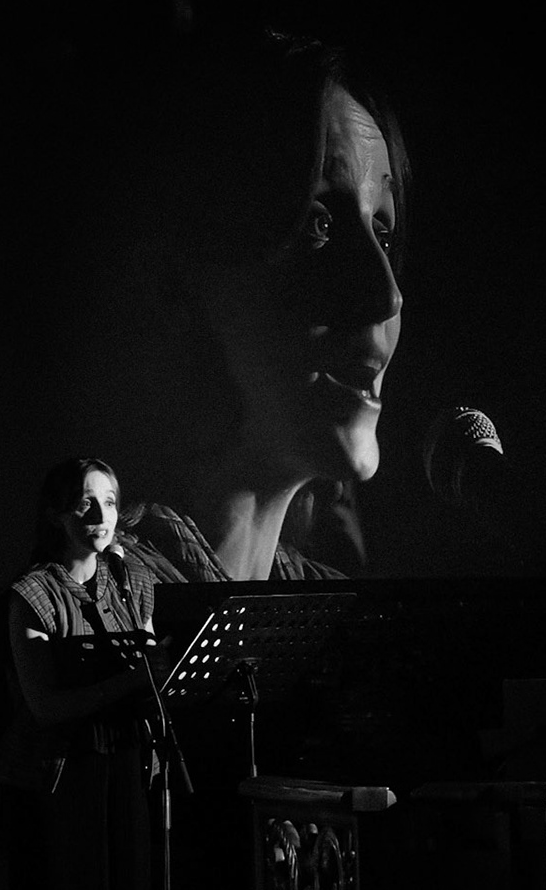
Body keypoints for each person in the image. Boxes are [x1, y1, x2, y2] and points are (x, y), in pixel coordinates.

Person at [113, 29, 408, 583]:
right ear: (180, 279)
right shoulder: (81, 612)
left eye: (384, 231)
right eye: (320, 224)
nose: (387, 293)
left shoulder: (338, 622)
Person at [0, 456, 165, 890]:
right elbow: (44, 706)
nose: (99, 517)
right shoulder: (32, 595)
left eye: (110, 502)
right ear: (56, 514)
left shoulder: (137, 582)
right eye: (84, 504)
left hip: (124, 767)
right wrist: (134, 681)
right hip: (57, 780)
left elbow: (150, 675)